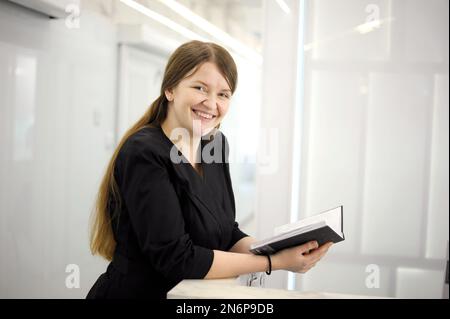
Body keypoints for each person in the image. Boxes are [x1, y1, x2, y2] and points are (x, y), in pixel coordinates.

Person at [87, 40, 333, 299]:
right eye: (200, 88)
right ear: (170, 89)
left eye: (223, 94)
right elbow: (176, 258)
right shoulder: (145, 152)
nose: (211, 103)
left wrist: (275, 249)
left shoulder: (214, 144)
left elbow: (226, 233)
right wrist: (276, 262)